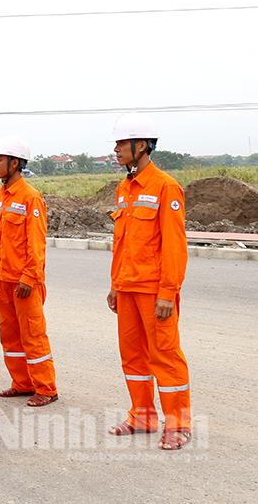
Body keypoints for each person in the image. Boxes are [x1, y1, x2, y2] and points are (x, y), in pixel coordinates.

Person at [107, 113, 191, 449]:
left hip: (155, 291)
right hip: (127, 289)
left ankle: (178, 424)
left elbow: (174, 246)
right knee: (132, 357)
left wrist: (168, 293)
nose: (116, 149)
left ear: (141, 146)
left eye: (121, 143)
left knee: (165, 356)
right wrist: (115, 284)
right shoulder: (124, 188)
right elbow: (122, 243)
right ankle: (142, 415)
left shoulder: (166, 187)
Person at [0, 135, 58, 407]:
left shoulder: (30, 197)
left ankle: (46, 387)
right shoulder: (0, 196)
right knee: (9, 334)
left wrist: (30, 276)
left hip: (24, 281)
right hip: (3, 278)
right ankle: (22, 383)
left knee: (32, 334)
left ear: (15, 163)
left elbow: (36, 242)